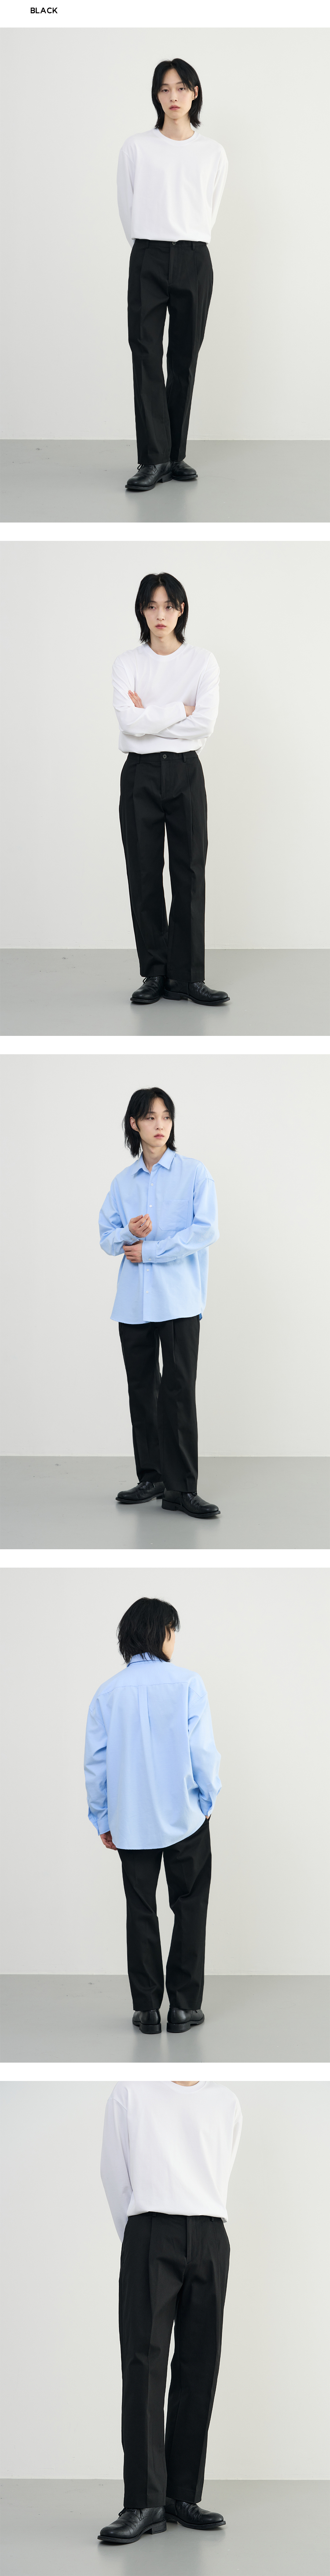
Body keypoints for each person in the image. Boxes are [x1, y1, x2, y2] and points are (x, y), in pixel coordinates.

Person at [98, 2077, 242, 2545]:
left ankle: (182, 2493)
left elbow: (221, 2168)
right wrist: (140, 2236)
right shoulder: (131, 2091)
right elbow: (114, 2173)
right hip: (150, 2227)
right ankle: (145, 2500)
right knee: (144, 2362)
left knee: (201, 2364)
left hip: (211, 2231)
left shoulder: (225, 2100)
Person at [84, 1593, 220, 2034]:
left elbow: (96, 1764)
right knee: (191, 1907)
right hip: (186, 1817)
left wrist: (103, 1819)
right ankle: (184, 2007)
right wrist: (207, 1802)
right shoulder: (188, 1683)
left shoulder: (107, 1693)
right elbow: (204, 1753)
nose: (174, 1638)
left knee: (140, 1910)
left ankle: (147, 2010)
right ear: (162, 1632)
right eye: (172, 1631)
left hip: (131, 1822)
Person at [99, 1084, 220, 1520]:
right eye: (151, 1117)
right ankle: (151, 1477)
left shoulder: (194, 1173)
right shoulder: (122, 1183)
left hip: (179, 1300)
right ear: (135, 1124)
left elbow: (205, 1231)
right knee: (142, 1390)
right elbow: (106, 1238)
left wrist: (150, 1250)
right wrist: (129, 1232)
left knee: (178, 1390)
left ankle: (181, 1488)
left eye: (166, 1116)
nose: (160, 1125)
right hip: (134, 1303)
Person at [113, 570, 229, 1009]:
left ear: (181, 609)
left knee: (190, 874)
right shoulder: (127, 663)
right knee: (144, 874)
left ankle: (189, 977)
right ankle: (156, 973)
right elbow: (129, 724)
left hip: (185, 773)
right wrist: (181, 708)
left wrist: (152, 717)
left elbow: (205, 724)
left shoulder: (203, 662)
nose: (160, 615)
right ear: (141, 611)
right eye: (151, 606)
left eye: (168, 605)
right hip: (139, 774)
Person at [117, 57, 228, 492]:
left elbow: (210, 209)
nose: (173, 96)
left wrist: (188, 242)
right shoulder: (137, 148)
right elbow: (127, 207)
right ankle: (153, 458)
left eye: (181, 88)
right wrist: (149, 247)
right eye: (165, 89)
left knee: (184, 357)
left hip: (194, 257)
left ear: (195, 93)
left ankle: (175, 454)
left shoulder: (213, 153)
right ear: (156, 96)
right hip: (148, 254)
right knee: (146, 354)